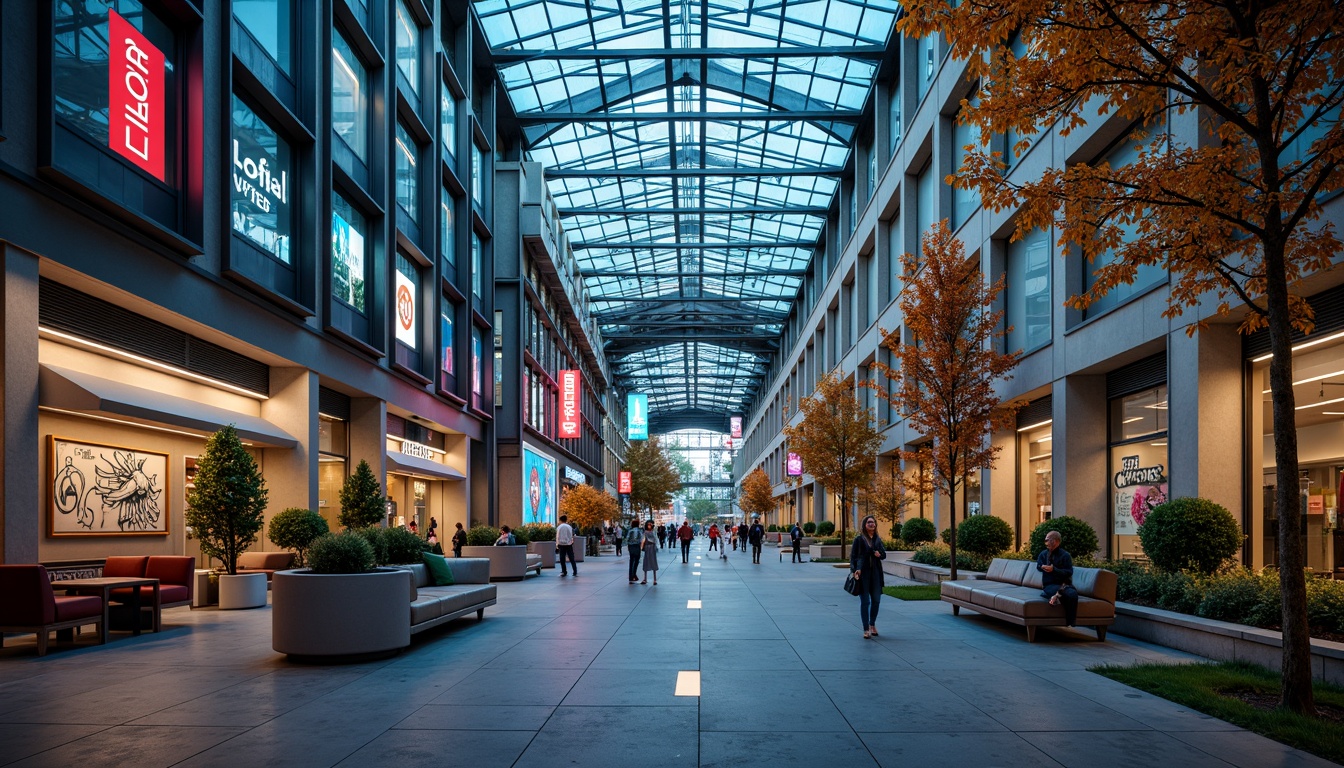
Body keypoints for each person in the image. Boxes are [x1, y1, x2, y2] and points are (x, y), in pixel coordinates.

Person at [851, 514, 887, 638]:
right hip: (863, 574)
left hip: (876, 574)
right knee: (865, 602)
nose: (871, 524)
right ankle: (866, 629)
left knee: (876, 600)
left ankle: (872, 624)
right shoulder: (859, 539)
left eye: (873, 522)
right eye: (869, 522)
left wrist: (879, 554)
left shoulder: (877, 539)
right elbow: (853, 556)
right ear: (864, 525)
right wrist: (855, 569)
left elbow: (883, 554)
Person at [1037, 529, 1078, 626]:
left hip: (1064, 585)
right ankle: (1053, 596)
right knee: (1064, 593)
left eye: (1047, 540)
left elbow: (1069, 572)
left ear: (1055, 541)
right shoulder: (1043, 554)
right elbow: (1038, 566)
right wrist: (1042, 567)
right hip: (1049, 585)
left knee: (1072, 594)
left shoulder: (1065, 555)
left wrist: (1054, 570)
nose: (1045, 542)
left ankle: (1070, 622)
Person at [641, 520, 660, 585]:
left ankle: (654, 579)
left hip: (652, 547)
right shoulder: (645, 532)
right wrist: (642, 547)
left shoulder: (653, 531)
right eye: (648, 524)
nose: (649, 525)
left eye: (650, 524)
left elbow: (655, 539)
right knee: (646, 562)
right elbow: (643, 540)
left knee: (653, 562)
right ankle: (645, 578)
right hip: (647, 547)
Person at [626, 518, 644, 582]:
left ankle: (631, 575)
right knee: (636, 561)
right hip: (637, 546)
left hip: (631, 546)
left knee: (631, 561)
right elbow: (641, 539)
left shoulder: (630, 531)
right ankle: (634, 574)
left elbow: (627, 539)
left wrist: (629, 544)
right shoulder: (640, 531)